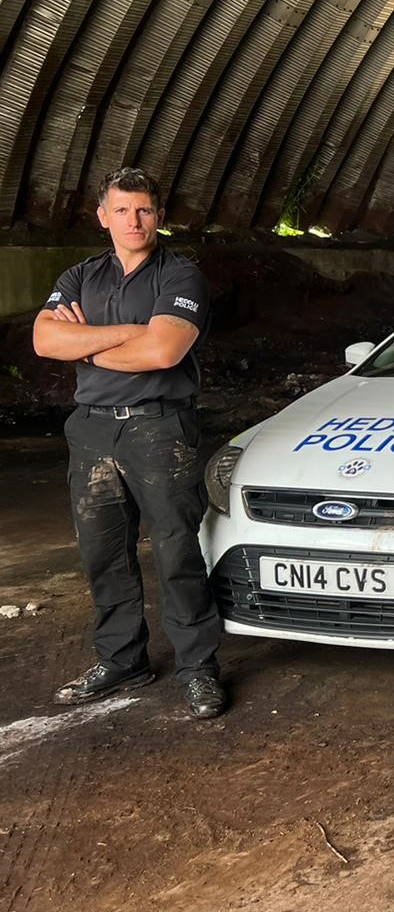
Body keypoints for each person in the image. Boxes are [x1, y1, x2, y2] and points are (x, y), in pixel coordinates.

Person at [32, 167, 226, 719]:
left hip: (159, 427)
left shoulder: (180, 277)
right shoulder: (80, 276)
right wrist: (130, 335)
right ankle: (122, 660)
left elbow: (163, 353)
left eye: (143, 210)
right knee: (103, 552)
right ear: (103, 216)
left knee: (176, 549)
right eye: (122, 210)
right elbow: (47, 339)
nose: (133, 220)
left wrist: (85, 345)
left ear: (159, 216)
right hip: (92, 428)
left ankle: (198, 669)